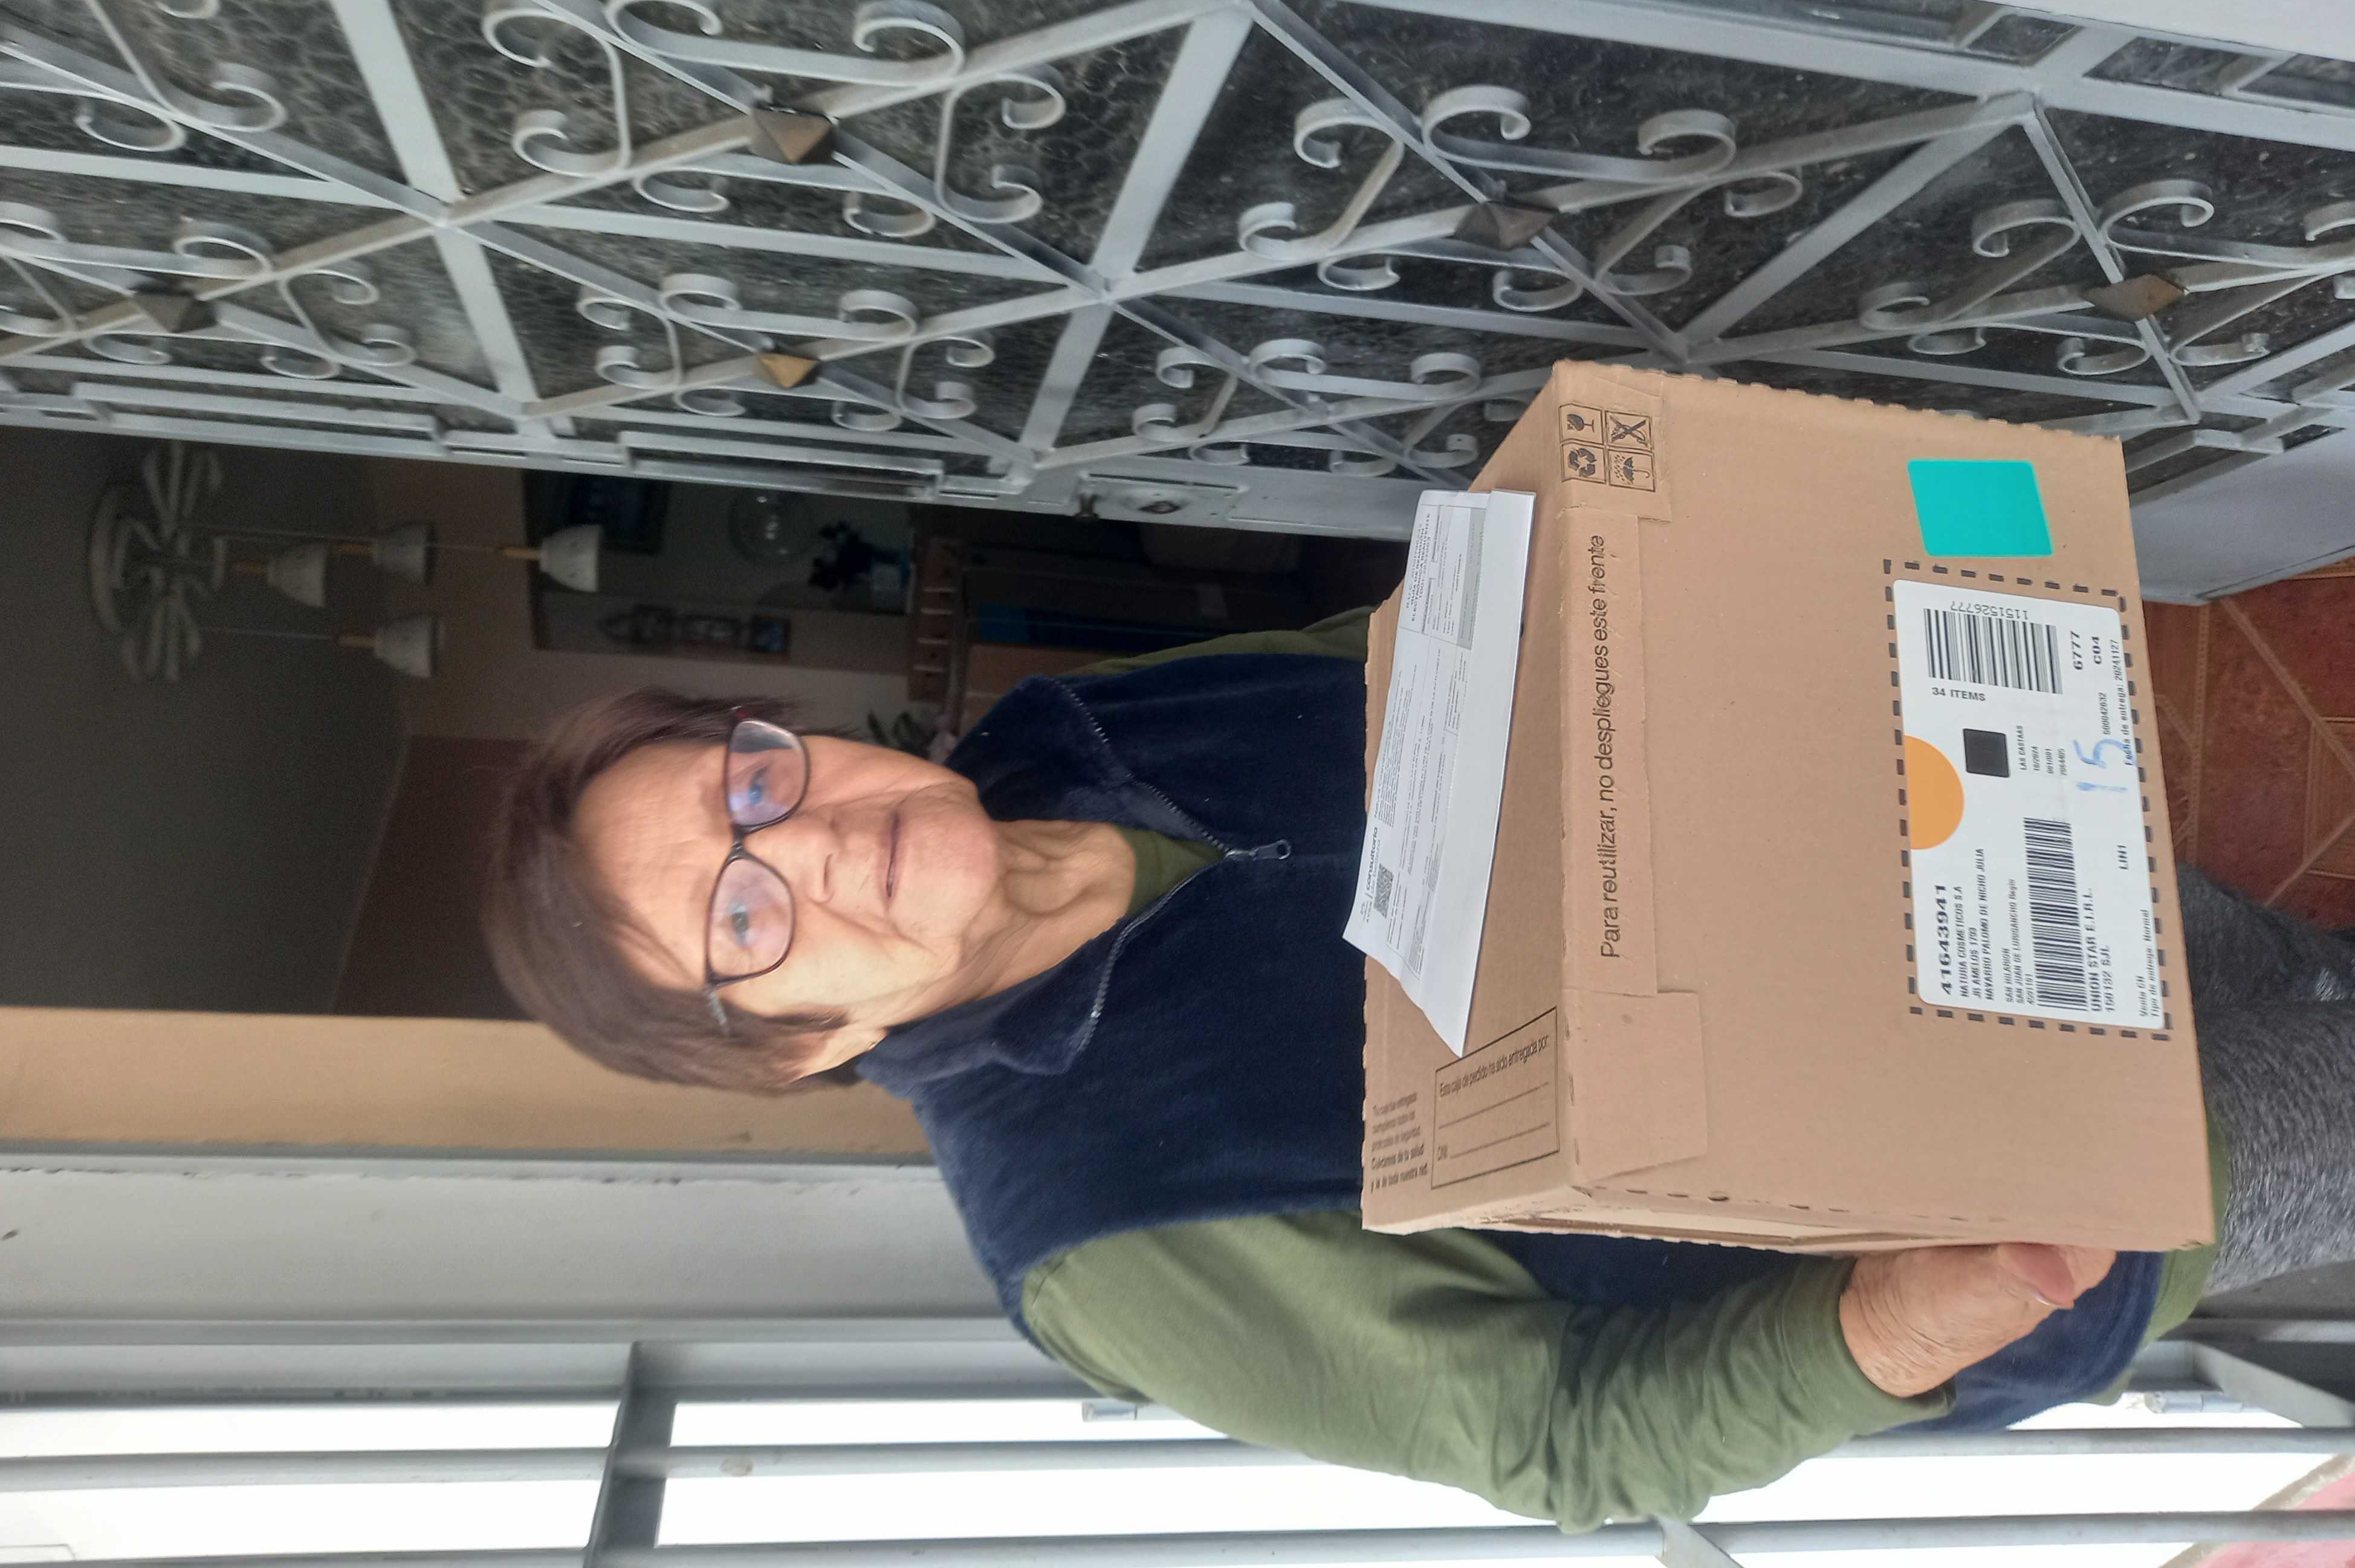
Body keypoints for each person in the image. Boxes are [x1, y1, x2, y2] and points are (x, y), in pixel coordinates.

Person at [484, 615, 2355, 1529]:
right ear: (794, 1048)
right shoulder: (1101, 1233)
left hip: (1976, 893)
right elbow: (1564, 1439)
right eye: (745, 920)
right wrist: (1883, 1328)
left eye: (750, 785)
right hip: (2037, 1178)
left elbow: (1461, 672)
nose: (810, 843)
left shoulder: (1076, 724)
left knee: (2298, 975)